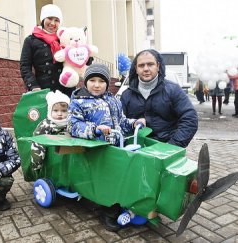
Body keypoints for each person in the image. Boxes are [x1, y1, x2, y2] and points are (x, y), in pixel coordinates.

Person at [67, 63, 146, 231]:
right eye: (92, 80)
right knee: (108, 181)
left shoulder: (113, 100)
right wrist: (94, 130)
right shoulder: (78, 101)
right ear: (85, 82)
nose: (97, 85)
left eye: (101, 81)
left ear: (107, 83)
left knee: (125, 175)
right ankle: (108, 212)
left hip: (117, 146)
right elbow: (73, 126)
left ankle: (130, 203)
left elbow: (122, 121)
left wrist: (134, 123)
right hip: (96, 150)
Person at [121, 49, 198, 148]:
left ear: (158, 66)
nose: (146, 69)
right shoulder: (126, 95)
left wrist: (171, 147)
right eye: (141, 65)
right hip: (135, 151)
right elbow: (119, 123)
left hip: (167, 151)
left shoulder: (173, 90)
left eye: (150, 64)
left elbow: (190, 119)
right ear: (136, 68)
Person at [19, 4, 74, 96]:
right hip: (43, 89)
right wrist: (33, 85)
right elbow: (25, 66)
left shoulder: (64, 39)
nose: (52, 23)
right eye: (50, 18)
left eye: (56, 20)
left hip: (65, 88)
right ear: (43, 19)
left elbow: (75, 56)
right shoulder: (31, 40)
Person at [31, 90, 70, 170]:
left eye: (63, 111)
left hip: (65, 154)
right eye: (55, 110)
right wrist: (37, 162)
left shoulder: (70, 123)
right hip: (50, 155)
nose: (59, 114)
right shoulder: (45, 125)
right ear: (50, 110)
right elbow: (37, 142)